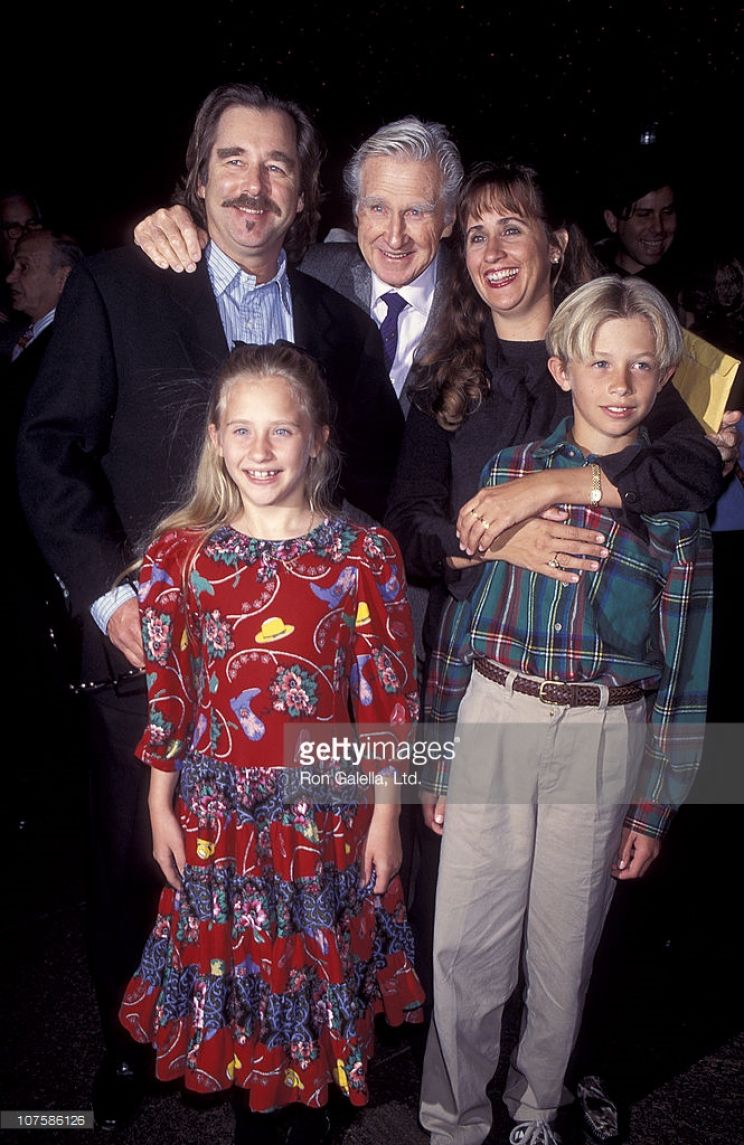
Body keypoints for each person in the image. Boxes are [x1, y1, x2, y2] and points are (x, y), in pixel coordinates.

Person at [17, 81, 402, 1132]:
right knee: (141, 863)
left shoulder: (337, 322)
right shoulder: (120, 286)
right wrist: (111, 598)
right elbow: (47, 451)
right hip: (152, 649)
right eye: (233, 158)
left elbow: (370, 471)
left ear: (304, 191)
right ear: (198, 176)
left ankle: (274, 1048)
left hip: (291, 682)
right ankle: (132, 1043)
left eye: (278, 163)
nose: (254, 182)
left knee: (285, 872)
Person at [383, 161, 731, 1025]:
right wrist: (491, 541)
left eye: (513, 227)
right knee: (461, 913)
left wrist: (554, 487)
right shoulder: (446, 372)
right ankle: (455, 1071)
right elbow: (409, 522)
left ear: (557, 241)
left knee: (571, 927)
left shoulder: (610, 352)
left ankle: (559, 1072)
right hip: (477, 665)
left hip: (600, 682)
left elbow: (691, 471)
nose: (494, 250)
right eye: (476, 233)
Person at [419, 276, 713, 1145]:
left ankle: (536, 1108)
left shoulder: (677, 506)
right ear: (562, 370)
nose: (620, 384)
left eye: (641, 366)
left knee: (563, 947)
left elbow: (687, 669)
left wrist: (655, 805)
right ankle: (452, 1117)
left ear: (665, 377)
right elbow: (462, 622)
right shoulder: (508, 473)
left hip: (602, 728)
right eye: (600, 363)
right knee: (465, 945)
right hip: (497, 712)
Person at [118, 342, 423, 1145]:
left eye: (281, 430)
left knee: (318, 961)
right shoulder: (182, 556)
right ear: (215, 438)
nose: (261, 450)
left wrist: (387, 816)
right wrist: (159, 804)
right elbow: (171, 694)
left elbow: (388, 701)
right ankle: (253, 1109)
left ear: (318, 437)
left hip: (324, 810)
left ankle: (314, 1109)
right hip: (218, 811)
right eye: (242, 430)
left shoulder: (363, 554)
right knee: (240, 963)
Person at [132, 115, 463, 415]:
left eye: (416, 212)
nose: (394, 236)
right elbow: (241, 245)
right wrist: (177, 224)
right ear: (357, 211)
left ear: (448, 219)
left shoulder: (476, 299)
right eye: (378, 208)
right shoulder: (310, 272)